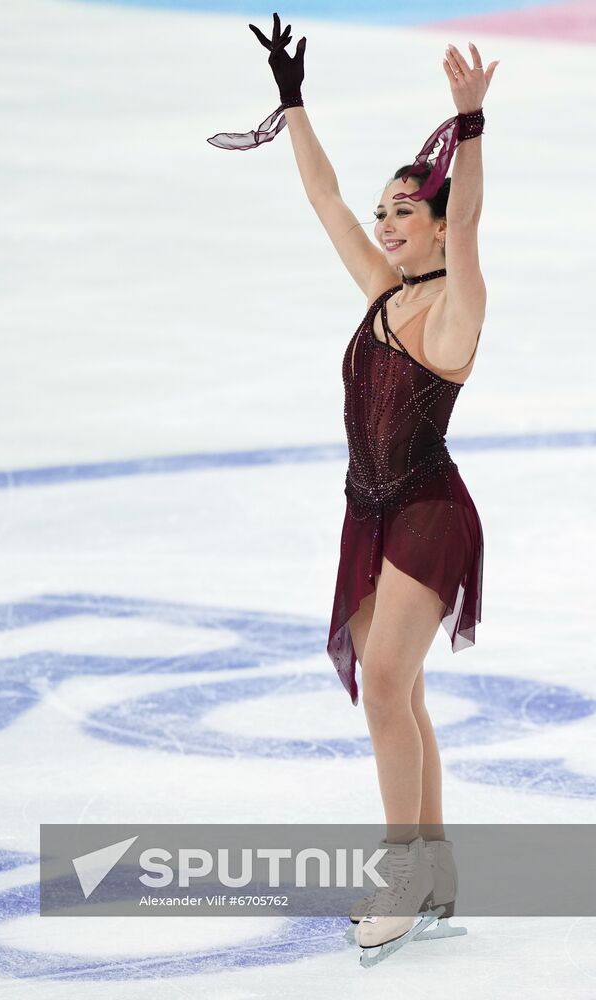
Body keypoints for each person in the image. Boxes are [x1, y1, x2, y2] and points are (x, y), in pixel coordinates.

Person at [208, 14, 499, 965]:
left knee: (383, 689)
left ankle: (405, 880)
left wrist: (471, 126)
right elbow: (328, 203)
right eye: (386, 212)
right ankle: (438, 871)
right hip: (367, 512)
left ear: (436, 221)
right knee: (400, 693)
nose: (383, 223)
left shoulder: (458, 306)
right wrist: (295, 109)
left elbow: (468, 219)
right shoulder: (384, 293)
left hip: (426, 512)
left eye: (401, 212)